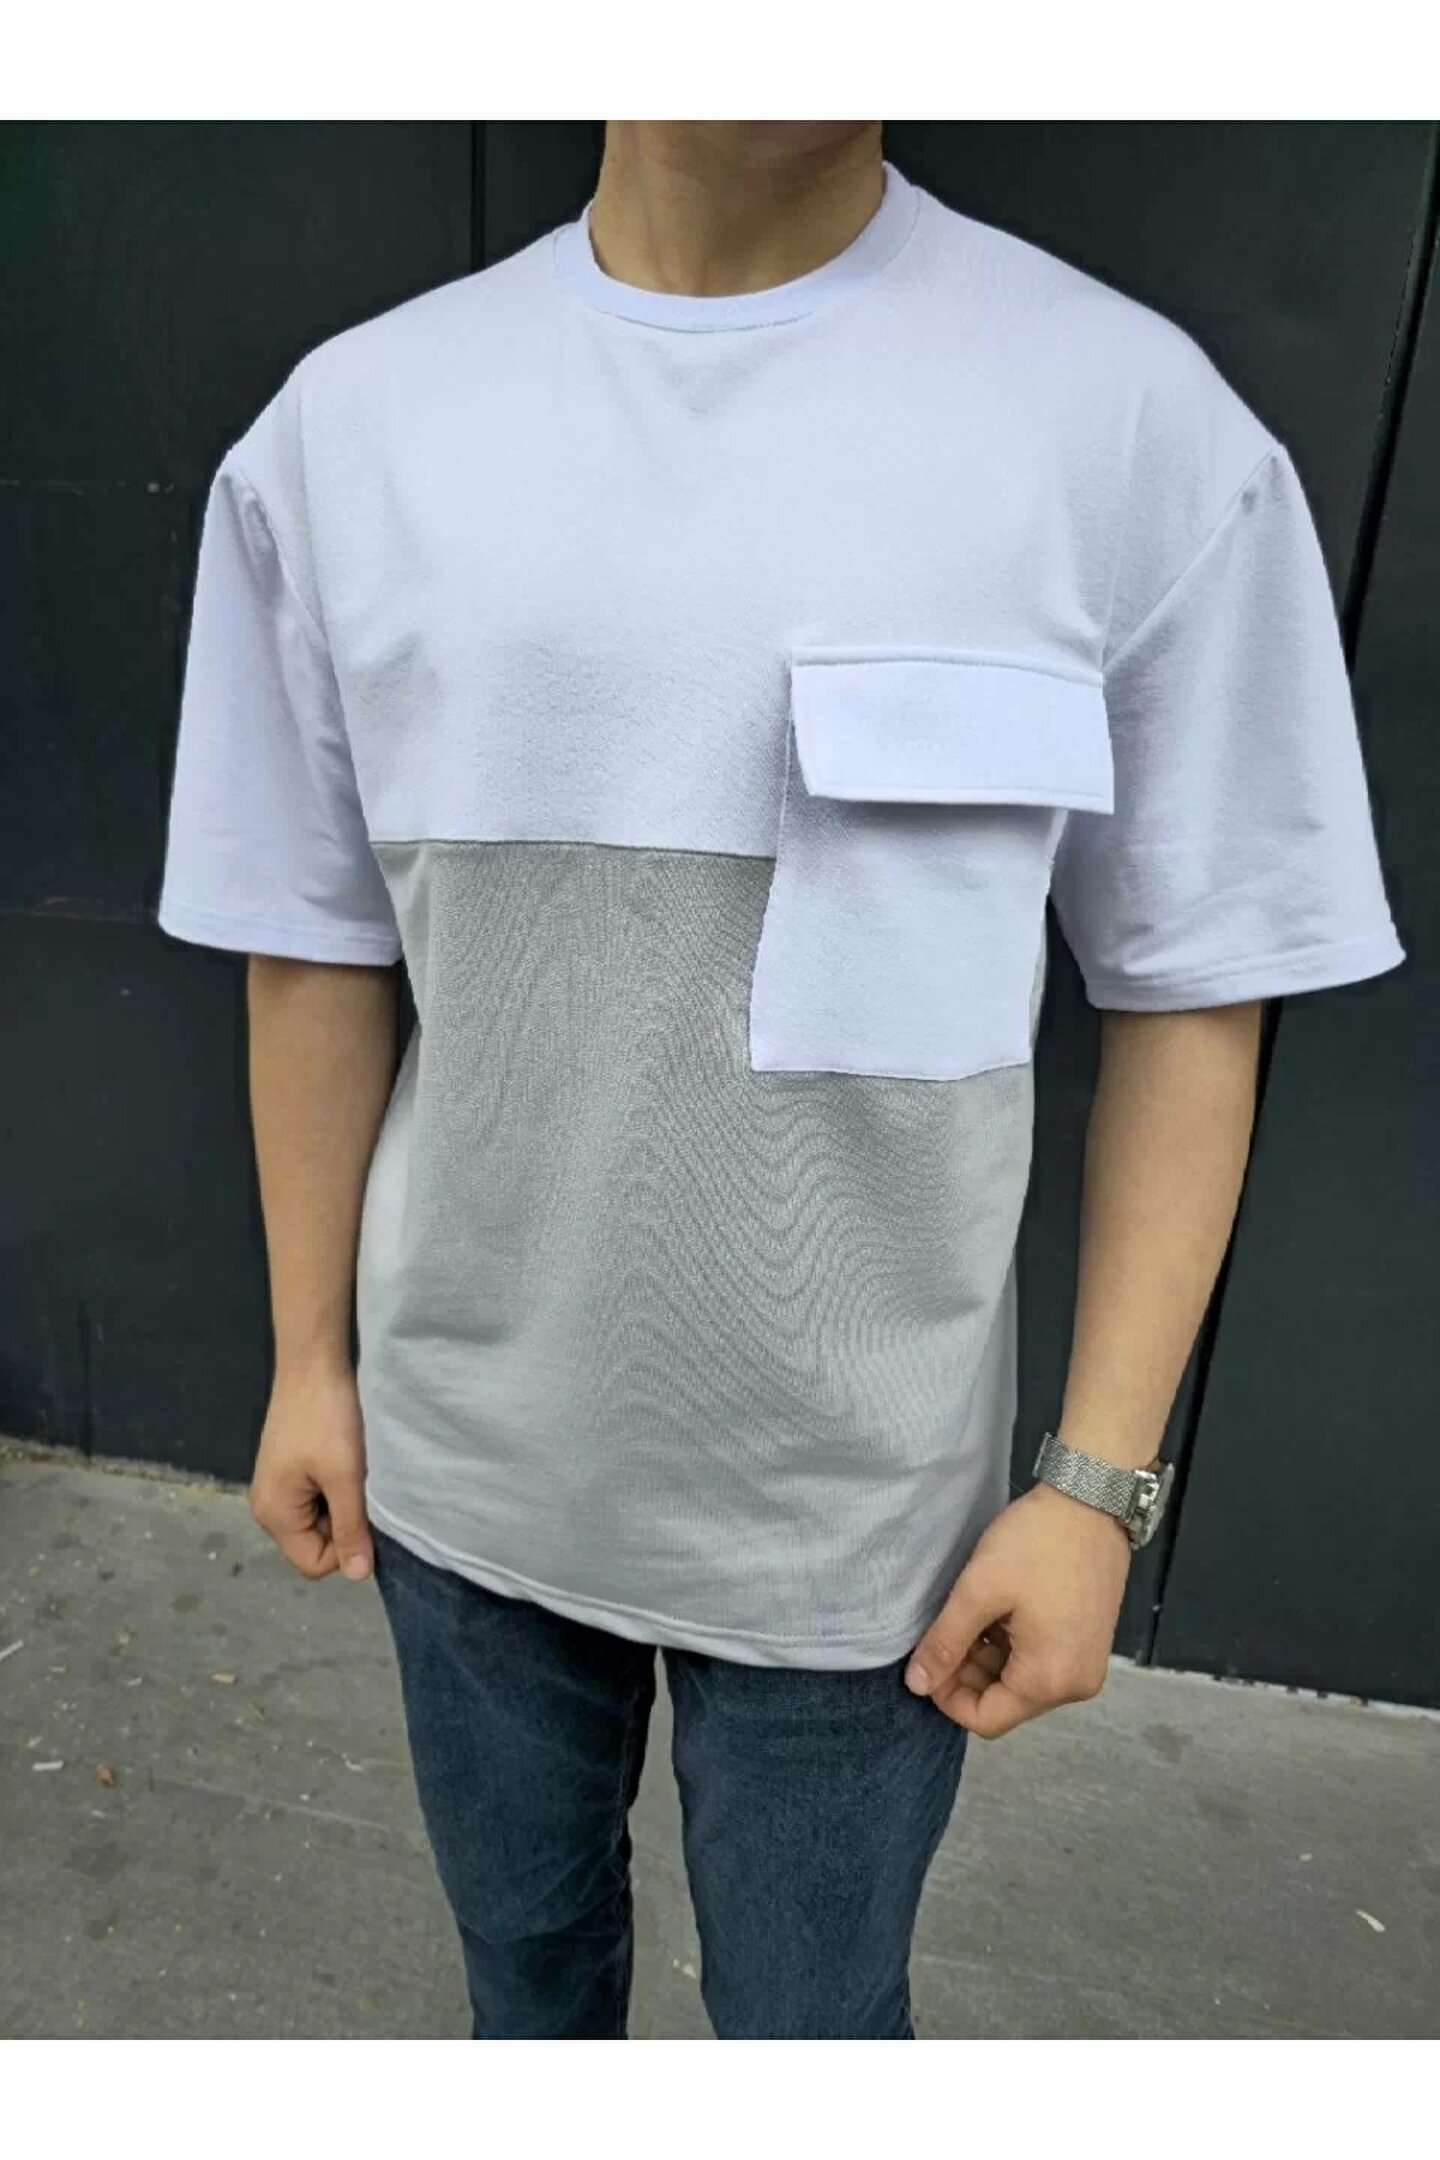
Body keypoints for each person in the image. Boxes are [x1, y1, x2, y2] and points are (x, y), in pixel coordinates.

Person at [156, 121, 1405, 2040]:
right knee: (523, 1992)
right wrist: (308, 1361)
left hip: (863, 1539)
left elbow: (1194, 986)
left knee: (816, 2036)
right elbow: (311, 938)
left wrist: (1095, 1489)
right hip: (460, 1471)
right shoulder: (352, 431)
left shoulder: (1126, 424)